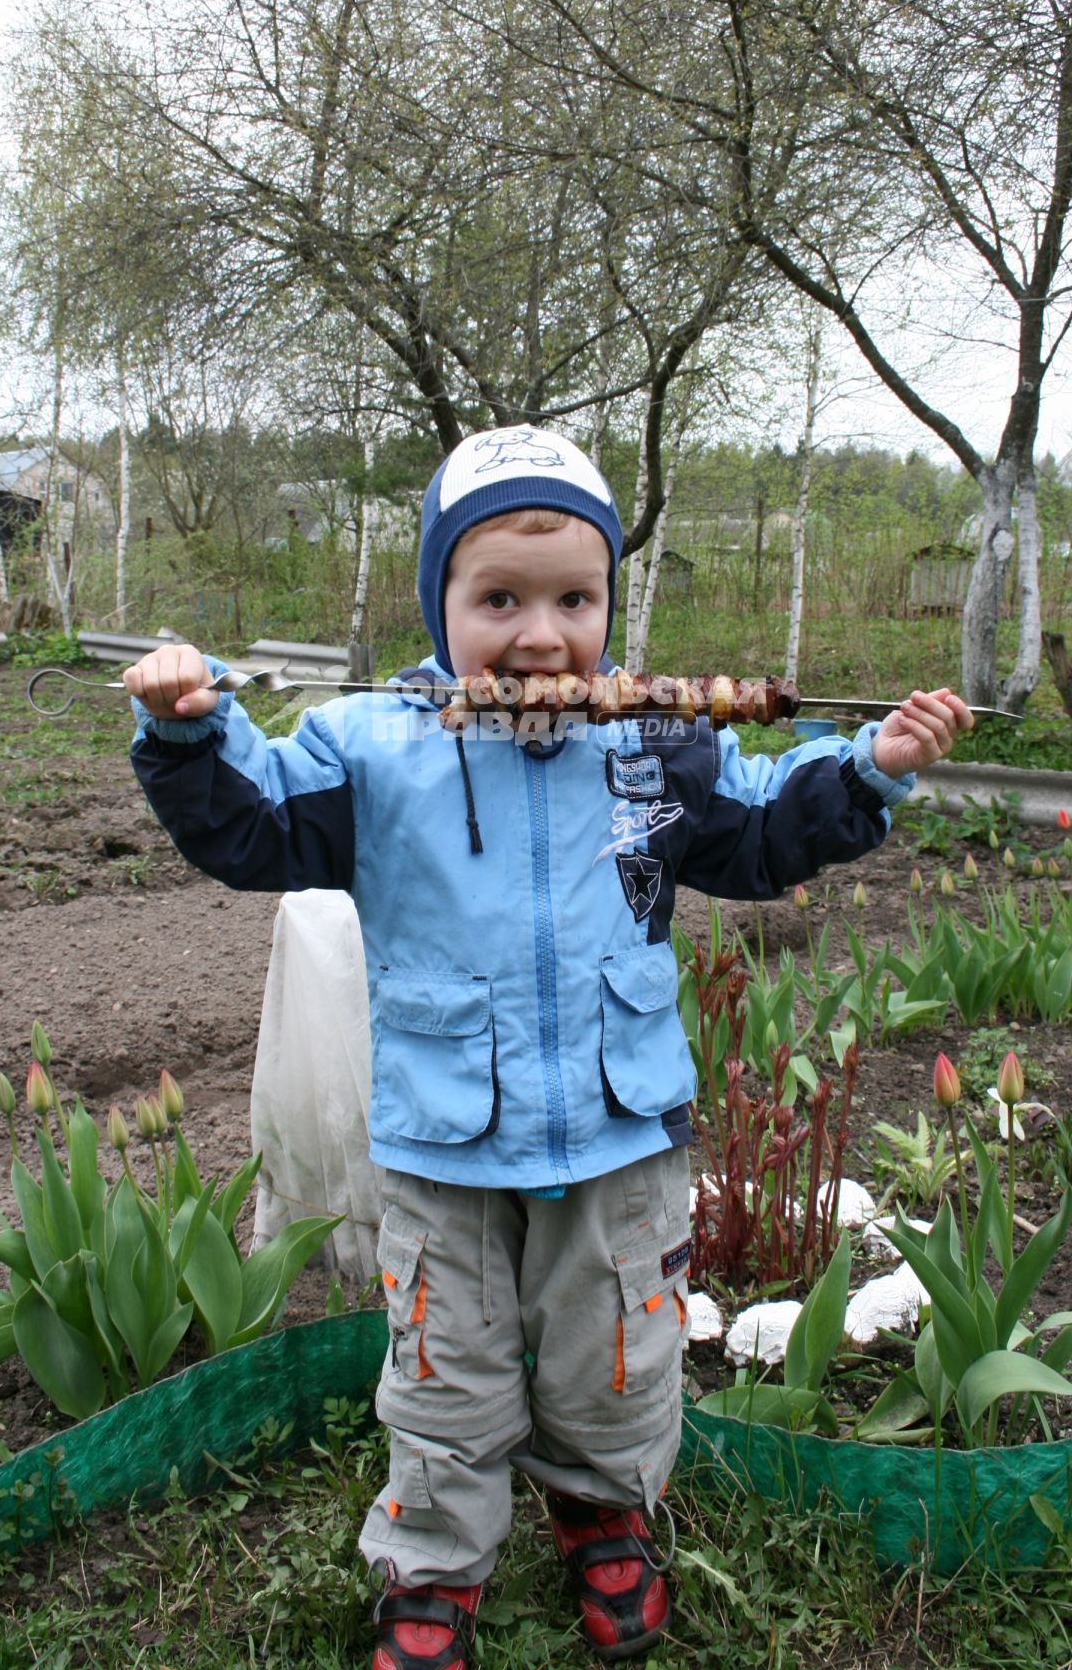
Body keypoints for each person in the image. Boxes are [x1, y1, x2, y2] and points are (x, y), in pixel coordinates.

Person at [124, 425, 973, 1668]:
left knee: (616, 1352)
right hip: (442, 1138)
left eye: (574, 599)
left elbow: (757, 837)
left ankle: (599, 1505)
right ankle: (430, 1568)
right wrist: (191, 735)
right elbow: (253, 832)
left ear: (608, 604)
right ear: (438, 603)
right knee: (441, 1372)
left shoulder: (658, 744)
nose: (538, 635)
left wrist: (867, 768)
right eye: (498, 599)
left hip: (616, 1129)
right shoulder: (370, 749)